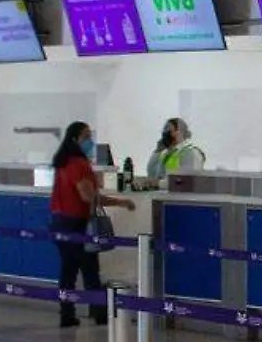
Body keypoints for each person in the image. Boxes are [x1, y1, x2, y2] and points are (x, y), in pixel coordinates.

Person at [49, 121, 135, 329]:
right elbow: (88, 196)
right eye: (86, 137)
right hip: (77, 224)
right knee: (90, 270)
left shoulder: (62, 162)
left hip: (59, 222)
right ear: (75, 139)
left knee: (68, 271)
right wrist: (120, 202)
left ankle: (67, 315)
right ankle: (100, 314)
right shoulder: (78, 163)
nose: (90, 141)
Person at [145, 117, 205, 187]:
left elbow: (187, 181)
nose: (164, 133)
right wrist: (157, 150)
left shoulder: (190, 152)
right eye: (164, 130)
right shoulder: (166, 153)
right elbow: (152, 174)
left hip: (181, 197)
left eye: (168, 129)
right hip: (164, 195)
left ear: (179, 132)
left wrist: (159, 183)